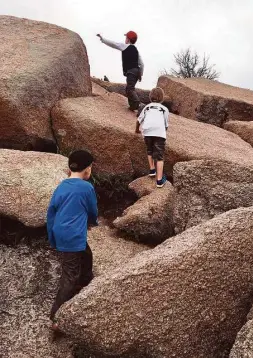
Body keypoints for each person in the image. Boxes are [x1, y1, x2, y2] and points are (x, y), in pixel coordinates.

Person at [47, 150, 98, 330]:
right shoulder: (87, 188)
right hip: (73, 235)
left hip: (60, 232)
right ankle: (55, 317)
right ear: (87, 170)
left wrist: (52, 237)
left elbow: (51, 212)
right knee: (69, 275)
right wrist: (93, 221)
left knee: (86, 254)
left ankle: (85, 281)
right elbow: (92, 210)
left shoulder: (61, 186)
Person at [97, 31, 144, 111]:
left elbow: (114, 44)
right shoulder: (136, 50)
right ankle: (133, 106)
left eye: (126, 38)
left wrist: (103, 39)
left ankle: (139, 105)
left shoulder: (125, 46)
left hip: (131, 71)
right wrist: (140, 74)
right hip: (136, 72)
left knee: (130, 89)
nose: (125, 39)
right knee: (129, 88)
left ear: (128, 39)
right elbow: (142, 64)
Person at [136, 87, 169, 188]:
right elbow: (166, 124)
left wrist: (137, 130)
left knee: (149, 150)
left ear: (150, 97)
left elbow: (138, 120)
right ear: (162, 98)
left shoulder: (147, 107)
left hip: (147, 132)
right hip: (159, 133)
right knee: (159, 157)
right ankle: (159, 180)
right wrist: (163, 132)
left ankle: (152, 169)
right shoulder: (164, 109)